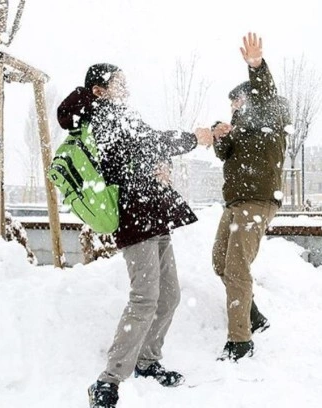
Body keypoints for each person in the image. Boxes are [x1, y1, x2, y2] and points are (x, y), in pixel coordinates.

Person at [57, 63, 213, 408]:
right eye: (119, 83)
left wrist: (164, 167)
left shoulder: (119, 113)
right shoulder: (101, 115)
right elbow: (149, 142)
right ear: (100, 90)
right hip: (134, 216)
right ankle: (107, 381)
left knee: (169, 295)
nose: (126, 88)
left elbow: (146, 150)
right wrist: (193, 139)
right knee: (145, 298)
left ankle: (147, 361)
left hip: (153, 213)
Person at [210, 33, 289, 362]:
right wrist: (219, 133)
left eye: (237, 102)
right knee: (220, 262)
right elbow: (223, 153)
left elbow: (266, 94)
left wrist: (256, 66)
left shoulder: (270, 116)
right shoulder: (239, 129)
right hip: (236, 203)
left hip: (257, 202)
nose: (234, 108)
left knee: (237, 268)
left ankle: (240, 341)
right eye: (231, 105)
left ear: (250, 99)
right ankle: (253, 315)